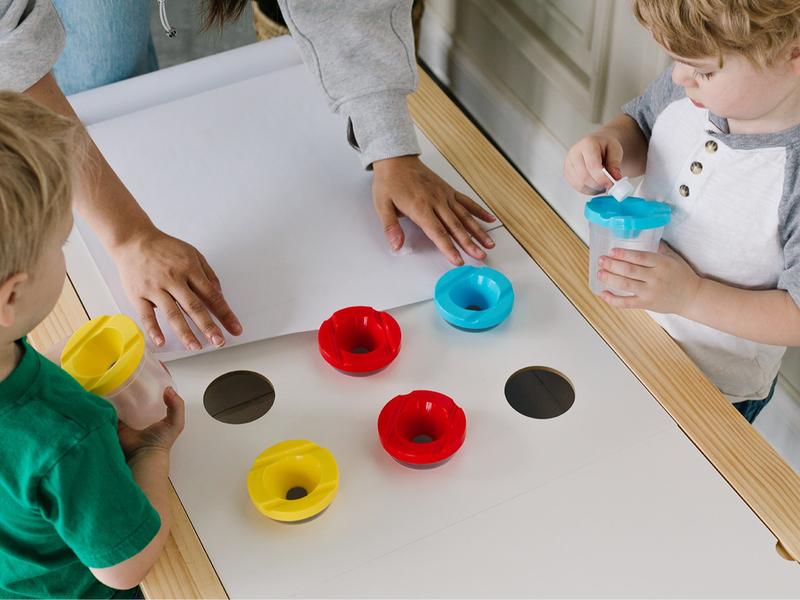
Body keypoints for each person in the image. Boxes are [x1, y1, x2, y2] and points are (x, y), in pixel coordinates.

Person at [563, 0, 800, 423]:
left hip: (710, 385)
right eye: (676, 60)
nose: (677, 76)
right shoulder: (689, 84)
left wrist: (690, 295)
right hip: (624, 329)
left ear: (793, 53)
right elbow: (641, 126)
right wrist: (609, 146)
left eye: (703, 71)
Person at [0, 91, 185, 598]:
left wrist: (54, 362)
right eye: (62, 245)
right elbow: (124, 567)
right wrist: (153, 453)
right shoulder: (69, 437)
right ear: (11, 295)